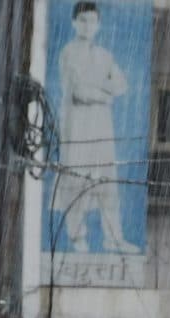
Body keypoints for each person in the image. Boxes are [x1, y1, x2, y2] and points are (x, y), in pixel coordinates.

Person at [50, 2, 137, 256]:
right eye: (83, 20)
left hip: (101, 129)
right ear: (75, 23)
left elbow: (121, 85)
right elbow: (78, 93)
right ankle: (78, 239)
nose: (88, 26)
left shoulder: (104, 56)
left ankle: (114, 238)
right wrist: (103, 91)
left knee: (107, 183)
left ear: (98, 25)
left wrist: (97, 85)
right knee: (76, 181)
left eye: (93, 21)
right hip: (77, 129)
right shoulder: (68, 53)